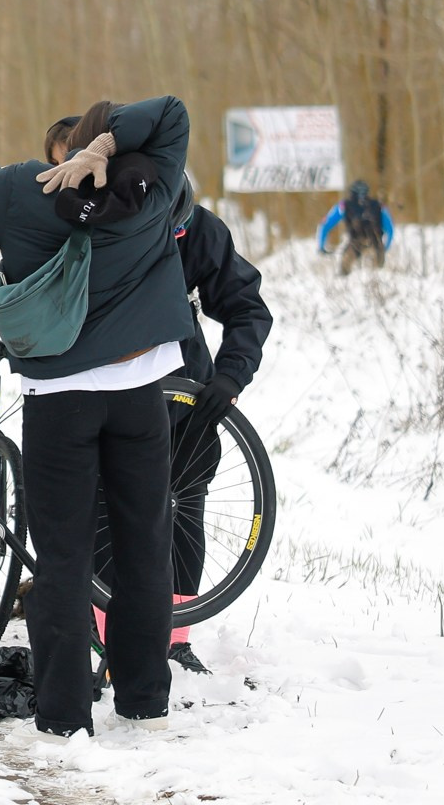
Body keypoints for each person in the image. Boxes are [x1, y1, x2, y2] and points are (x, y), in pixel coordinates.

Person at [0, 97, 194, 737]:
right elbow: (172, 111)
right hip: (140, 393)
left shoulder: (26, 187)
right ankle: (144, 700)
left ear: (72, 145)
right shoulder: (157, 182)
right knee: (144, 548)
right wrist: (111, 147)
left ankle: (65, 713)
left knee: (65, 558)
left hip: (61, 401)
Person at [47, 119, 276, 678]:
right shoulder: (99, 219)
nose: (168, 239)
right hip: (106, 380)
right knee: (106, 510)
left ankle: (174, 639)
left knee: (182, 511)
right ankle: (109, 642)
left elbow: (247, 307)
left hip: (186, 391)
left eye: (174, 231)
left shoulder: (201, 230)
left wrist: (229, 377)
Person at [319, 181, 395, 269]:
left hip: (355, 244)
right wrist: (385, 247)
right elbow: (390, 228)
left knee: (344, 271)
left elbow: (325, 225)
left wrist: (321, 246)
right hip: (376, 244)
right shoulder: (379, 206)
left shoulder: (344, 206)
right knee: (379, 273)